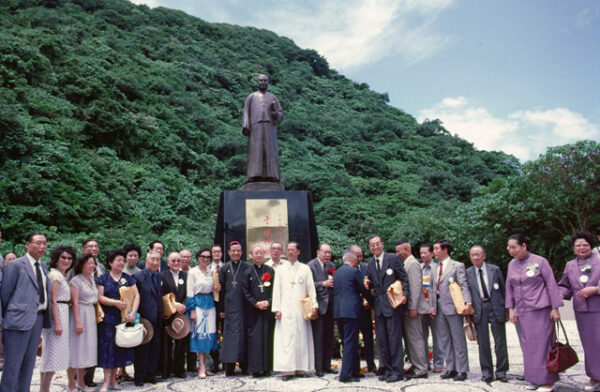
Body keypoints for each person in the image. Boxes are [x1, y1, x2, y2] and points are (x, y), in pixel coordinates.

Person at [506, 234, 562, 392]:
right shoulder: (512, 264)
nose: (511, 250)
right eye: (509, 248)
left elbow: (551, 284)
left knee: (544, 345)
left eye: (513, 247)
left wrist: (555, 308)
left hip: (541, 310)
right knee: (528, 346)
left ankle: (547, 381)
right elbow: (509, 287)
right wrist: (511, 309)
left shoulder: (540, 261)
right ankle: (533, 378)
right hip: (522, 311)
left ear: (524, 246)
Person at [0, 232, 50, 392]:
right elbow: (5, 295)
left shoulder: (43, 266)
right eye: (38, 243)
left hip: (37, 319)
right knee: (12, 366)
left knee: (29, 365)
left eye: (44, 243)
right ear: (27, 245)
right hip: (17, 321)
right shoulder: (15, 265)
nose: (42, 246)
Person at [558, 232, 600, 392]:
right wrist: (560, 293)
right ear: (573, 248)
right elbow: (565, 285)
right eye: (578, 245)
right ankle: (595, 376)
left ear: (591, 246)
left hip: (598, 306)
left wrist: (595, 289)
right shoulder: (570, 265)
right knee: (590, 345)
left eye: (585, 245)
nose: (582, 248)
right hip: (582, 311)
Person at [364, 235, 409, 383]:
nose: (375, 247)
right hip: (378, 306)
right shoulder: (370, 263)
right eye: (372, 245)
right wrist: (367, 283)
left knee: (394, 339)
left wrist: (406, 295)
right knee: (382, 340)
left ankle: (398, 371)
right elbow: (371, 281)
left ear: (382, 244)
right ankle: (388, 369)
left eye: (378, 244)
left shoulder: (393, 258)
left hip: (393, 304)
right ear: (369, 247)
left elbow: (404, 278)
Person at [271, 242, 317, 381]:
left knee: (301, 337)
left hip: (300, 309)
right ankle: (287, 370)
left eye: (293, 250)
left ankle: (301, 367)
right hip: (285, 309)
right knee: (286, 339)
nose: (290, 252)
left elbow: (311, 288)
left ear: (298, 252)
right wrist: (276, 309)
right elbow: (276, 290)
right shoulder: (280, 269)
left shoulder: (305, 268)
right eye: (288, 250)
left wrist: (314, 305)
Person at [97, 249, 140, 392]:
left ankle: (114, 380)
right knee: (106, 349)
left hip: (123, 318)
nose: (121, 263)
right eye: (118, 260)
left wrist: (133, 312)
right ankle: (105, 381)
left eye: (123, 260)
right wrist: (113, 302)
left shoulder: (128, 278)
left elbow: (136, 296)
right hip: (108, 318)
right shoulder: (103, 278)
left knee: (118, 349)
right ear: (110, 263)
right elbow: (99, 297)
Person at [429, 239, 472, 381]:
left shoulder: (457, 266)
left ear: (445, 250)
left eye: (436, 249)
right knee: (444, 339)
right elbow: (431, 288)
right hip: (438, 306)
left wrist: (468, 302)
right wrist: (431, 305)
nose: (434, 251)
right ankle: (450, 367)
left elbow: (463, 284)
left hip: (453, 306)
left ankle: (462, 369)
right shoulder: (434, 267)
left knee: (458, 338)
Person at [465, 245, 509, 383]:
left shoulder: (494, 270)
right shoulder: (468, 273)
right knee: (483, 343)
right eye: (473, 255)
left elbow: (503, 289)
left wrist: (507, 309)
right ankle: (487, 372)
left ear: (484, 256)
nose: (475, 257)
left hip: (495, 306)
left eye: (478, 254)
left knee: (500, 341)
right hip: (479, 308)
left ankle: (501, 372)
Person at [40, 245, 75, 392]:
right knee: (52, 357)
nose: (66, 261)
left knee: (51, 356)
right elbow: (53, 300)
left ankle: (44, 389)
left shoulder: (61, 275)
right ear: (56, 259)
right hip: (57, 315)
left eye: (69, 258)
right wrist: (58, 323)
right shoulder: (55, 276)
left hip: (63, 312)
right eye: (63, 258)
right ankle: (44, 389)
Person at [333, 252, 372, 383]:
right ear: (353, 261)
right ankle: (345, 375)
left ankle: (355, 371)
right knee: (351, 342)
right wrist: (372, 301)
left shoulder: (336, 272)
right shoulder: (354, 271)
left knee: (347, 342)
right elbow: (363, 289)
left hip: (338, 312)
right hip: (351, 312)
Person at [242, 73, 284, 183]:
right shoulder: (251, 97)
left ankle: (272, 175)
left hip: (270, 126)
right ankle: (255, 175)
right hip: (256, 126)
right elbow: (246, 112)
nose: (263, 82)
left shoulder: (273, 97)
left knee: (271, 150)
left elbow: (280, 113)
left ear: (268, 83)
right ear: (257, 82)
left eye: (265, 80)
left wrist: (276, 115)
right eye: (261, 80)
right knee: (256, 150)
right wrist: (246, 125)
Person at [395, 241, 428, 379]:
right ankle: (415, 364)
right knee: (409, 338)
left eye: (399, 251)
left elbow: (414, 287)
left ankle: (421, 368)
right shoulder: (406, 263)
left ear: (407, 249)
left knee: (415, 338)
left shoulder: (412, 264)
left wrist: (413, 307)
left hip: (412, 308)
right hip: (407, 308)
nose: (397, 254)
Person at [67, 253, 99, 392]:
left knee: (85, 350)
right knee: (75, 349)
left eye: (93, 263)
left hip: (90, 314)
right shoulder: (76, 280)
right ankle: (71, 384)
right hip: (79, 314)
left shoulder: (92, 279)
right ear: (82, 264)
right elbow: (74, 303)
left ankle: (81, 382)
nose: (92, 266)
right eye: (89, 263)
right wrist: (78, 322)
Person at [218, 241, 251, 376]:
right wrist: (222, 309)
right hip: (229, 307)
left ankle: (244, 366)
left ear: (241, 252)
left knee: (243, 336)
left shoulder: (247, 267)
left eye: (238, 250)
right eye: (233, 251)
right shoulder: (224, 268)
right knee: (229, 337)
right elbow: (220, 291)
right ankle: (229, 367)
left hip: (244, 307)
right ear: (229, 252)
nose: (236, 253)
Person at [242, 244, 275, 377]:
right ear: (251, 255)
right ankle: (255, 368)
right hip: (253, 311)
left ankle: (267, 368)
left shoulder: (270, 270)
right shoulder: (247, 272)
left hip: (267, 310)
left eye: (261, 253)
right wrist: (255, 303)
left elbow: (275, 289)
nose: (259, 255)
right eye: (256, 253)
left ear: (264, 254)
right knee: (255, 339)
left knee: (268, 337)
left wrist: (269, 301)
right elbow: (245, 291)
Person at [133, 250, 164, 386]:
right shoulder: (137, 277)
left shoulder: (159, 277)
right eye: (153, 260)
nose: (156, 262)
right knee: (142, 349)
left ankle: (150, 374)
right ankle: (139, 376)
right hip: (144, 318)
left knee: (154, 347)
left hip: (157, 318)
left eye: (158, 260)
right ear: (146, 261)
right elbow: (134, 298)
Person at [187, 248, 218, 379]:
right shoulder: (193, 272)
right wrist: (192, 310)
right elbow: (189, 292)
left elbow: (215, 288)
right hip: (198, 304)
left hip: (210, 304)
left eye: (207, 257)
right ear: (198, 257)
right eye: (202, 256)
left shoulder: (212, 273)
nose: (205, 259)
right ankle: (201, 367)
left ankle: (207, 364)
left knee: (209, 334)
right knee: (200, 334)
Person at [308, 243, 337, 377]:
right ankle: (318, 367)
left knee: (328, 337)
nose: (327, 255)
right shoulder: (310, 266)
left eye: (329, 253)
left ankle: (327, 365)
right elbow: (308, 285)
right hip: (318, 306)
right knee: (318, 337)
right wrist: (322, 284)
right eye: (325, 252)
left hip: (330, 306)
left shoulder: (332, 266)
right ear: (318, 252)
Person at [349, 245, 376, 374]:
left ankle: (371, 365)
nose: (359, 258)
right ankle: (355, 367)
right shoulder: (346, 269)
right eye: (357, 256)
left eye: (361, 256)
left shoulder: (367, 267)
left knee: (368, 338)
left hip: (366, 309)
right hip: (353, 310)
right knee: (353, 340)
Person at [160, 251, 188, 379]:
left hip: (182, 313)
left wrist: (183, 305)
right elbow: (161, 295)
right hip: (167, 314)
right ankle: (166, 370)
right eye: (173, 261)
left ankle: (179, 370)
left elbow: (190, 293)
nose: (176, 263)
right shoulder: (162, 276)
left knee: (181, 342)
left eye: (178, 261)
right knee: (166, 343)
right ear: (168, 262)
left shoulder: (186, 276)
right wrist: (174, 305)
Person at [419, 243, 441, 372]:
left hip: (434, 306)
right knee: (422, 336)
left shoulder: (438, 268)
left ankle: (438, 363)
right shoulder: (418, 267)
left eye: (425, 252)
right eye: (421, 253)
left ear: (432, 253)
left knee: (437, 335)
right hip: (421, 307)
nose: (423, 255)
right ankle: (425, 363)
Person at [208, 244, 224, 374]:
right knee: (212, 333)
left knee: (225, 332)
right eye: (214, 252)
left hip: (223, 305)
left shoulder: (227, 267)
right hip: (209, 304)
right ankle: (214, 362)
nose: (217, 254)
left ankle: (226, 361)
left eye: (219, 252)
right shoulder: (206, 269)